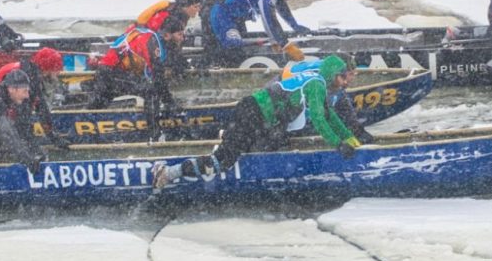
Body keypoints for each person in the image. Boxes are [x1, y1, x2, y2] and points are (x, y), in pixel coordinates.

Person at [152, 55, 359, 188]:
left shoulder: (319, 82)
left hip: (261, 119)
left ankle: (233, 143)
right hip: (252, 113)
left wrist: (349, 137)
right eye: (343, 78)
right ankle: (168, 172)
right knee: (221, 161)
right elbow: (320, 120)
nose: (345, 82)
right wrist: (338, 145)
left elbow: (330, 114)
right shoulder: (316, 84)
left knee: (274, 143)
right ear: (333, 75)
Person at [85, 14, 187, 138]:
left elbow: (167, 64)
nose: (183, 38)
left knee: (102, 100)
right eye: (179, 35)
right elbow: (158, 76)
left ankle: (88, 120)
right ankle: (154, 134)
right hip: (110, 72)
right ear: (166, 35)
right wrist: (170, 102)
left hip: (117, 71)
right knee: (151, 91)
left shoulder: (157, 40)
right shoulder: (153, 43)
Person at [202, 0, 305, 66]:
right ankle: (207, 65)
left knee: (239, 47)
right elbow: (269, 19)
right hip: (222, 16)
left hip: (234, 18)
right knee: (233, 47)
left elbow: (281, 11)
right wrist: (285, 45)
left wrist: (281, 37)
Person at [0, 47, 70, 154]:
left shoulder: (31, 72)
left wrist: (52, 135)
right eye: (56, 69)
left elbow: (41, 108)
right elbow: (23, 116)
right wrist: (33, 145)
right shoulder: (28, 77)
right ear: (48, 68)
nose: (59, 73)